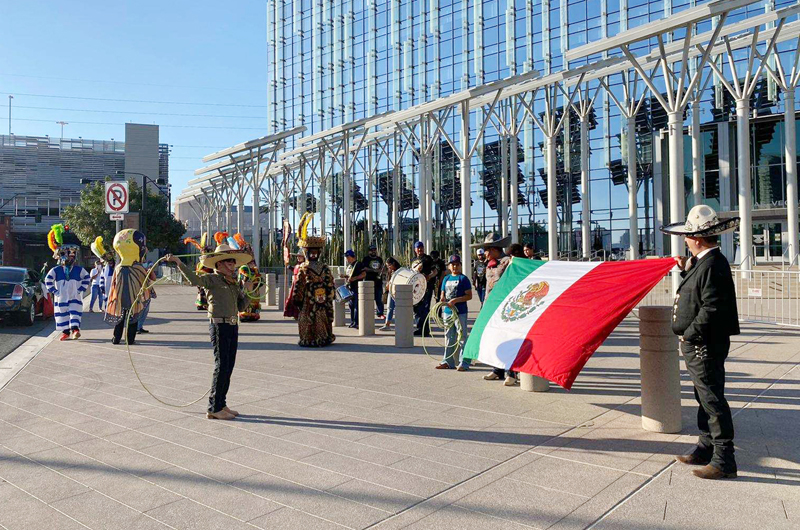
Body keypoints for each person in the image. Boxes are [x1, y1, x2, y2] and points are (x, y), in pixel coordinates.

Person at [661, 205, 740, 480]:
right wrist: (686, 269)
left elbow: (712, 307)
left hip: (703, 343)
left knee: (712, 398)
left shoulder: (713, 263)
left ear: (697, 238)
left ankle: (723, 459)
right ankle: (706, 448)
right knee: (703, 396)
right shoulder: (706, 262)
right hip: (701, 342)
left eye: (687, 236)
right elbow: (700, 293)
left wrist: (690, 333)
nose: (684, 240)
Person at [167, 238, 250, 420]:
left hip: (232, 324)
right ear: (219, 263)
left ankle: (221, 403)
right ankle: (213, 407)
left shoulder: (233, 282)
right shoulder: (212, 279)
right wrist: (179, 263)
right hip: (219, 325)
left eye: (233, 262)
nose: (233, 265)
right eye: (229, 261)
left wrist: (247, 291)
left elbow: (242, 307)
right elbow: (193, 279)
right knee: (221, 365)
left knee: (229, 366)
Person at [472, 233, 518, 386]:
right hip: (492, 307)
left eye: (485, 249)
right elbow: (487, 289)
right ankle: (497, 369)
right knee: (496, 339)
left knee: (509, 340)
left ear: (493, 249)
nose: (483, 253)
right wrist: (485, 307)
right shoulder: (489, 264)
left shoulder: (508, 262)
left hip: (506, 308)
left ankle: (512, 372)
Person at [291, 223, 335, 347]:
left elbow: (299, 285)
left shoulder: (304, 267)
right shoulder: (324, 267)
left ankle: (310, 338)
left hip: (309, 300)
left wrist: (297, 300)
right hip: (321, 298)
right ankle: (323, 336)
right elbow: (330, 283)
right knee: (321, 315)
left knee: (307, 317)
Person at [105, 230, 151, 346]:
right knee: (133, 317)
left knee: (120, 318)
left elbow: (113, 284)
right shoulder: (138, 267)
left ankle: (116, 338)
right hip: (134, 298)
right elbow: (146, 282)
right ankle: (130, 339)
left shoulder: (118, 268)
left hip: (120, 298)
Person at [44, 224, 90, 341]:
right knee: (62, 314)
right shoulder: (56, 270)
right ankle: (65, 332)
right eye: (66, 256)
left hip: (75, 295)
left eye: (71, 256)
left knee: (75, 312)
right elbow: (48, 279)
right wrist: (55, 291)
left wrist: (81, 289)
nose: (69, 258)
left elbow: (86, 278)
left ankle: (75, 330)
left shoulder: (79, 269)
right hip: (61, 296)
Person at [435, 255, 473, 371]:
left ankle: (464, 362)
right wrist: (442, 298)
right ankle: (447, 361)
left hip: (460, 311)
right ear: (449, 266)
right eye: (453, 264)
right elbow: (442, 292)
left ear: (460, 265)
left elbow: (469, 295)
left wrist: (456, 300)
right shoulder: (446, 279)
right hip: (447, 311)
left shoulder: (463, 279)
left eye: (457, 264)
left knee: (462, 336)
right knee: (449, 336)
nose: (455, 266)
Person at [411, 241, 437, 336]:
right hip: (416, 287)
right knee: (416, 308)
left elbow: (435, 271)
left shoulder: (428, 259)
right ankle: (419, 328)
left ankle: (426, 330)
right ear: (415, 249)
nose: (420, 249)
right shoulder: (413, 259)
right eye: (418, 247)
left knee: (425, 308)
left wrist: (429, 277)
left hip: (426, 286)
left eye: (421, 247)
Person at [343, 249, 366, 328]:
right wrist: (345, 276)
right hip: (350, 287)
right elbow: (350, 276)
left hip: (356, 287)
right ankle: (352, 321)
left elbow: (363, 274)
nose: (346, 259)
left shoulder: (358, 264)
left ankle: (357, 322)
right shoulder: (350, 266)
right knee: (351, 306)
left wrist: (355, 278)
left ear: (351, 256)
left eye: (347, 257)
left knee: (356, 306)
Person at [361, 244, 385, 318]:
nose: (373, 251)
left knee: (379, 298)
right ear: (369, 251)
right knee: (368, 299)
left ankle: (380, 313)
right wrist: (374, 270)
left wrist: (381, 271)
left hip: (378, 281)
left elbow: (382, 268)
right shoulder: (366, 259)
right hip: (368, 281)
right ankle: (368, 313)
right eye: (371, 250)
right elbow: (364, 268)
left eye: (374, 250)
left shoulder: (379, 259)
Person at [379, 257, 401, 331]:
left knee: (398, 309)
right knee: (389, 308)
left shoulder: (399, 271)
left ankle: (400, 324)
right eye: (387, 266)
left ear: (393, 264)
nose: (388, 267)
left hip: (398, 291)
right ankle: (387, 324)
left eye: (389, 265)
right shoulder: (390, 271)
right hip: (391, 291)